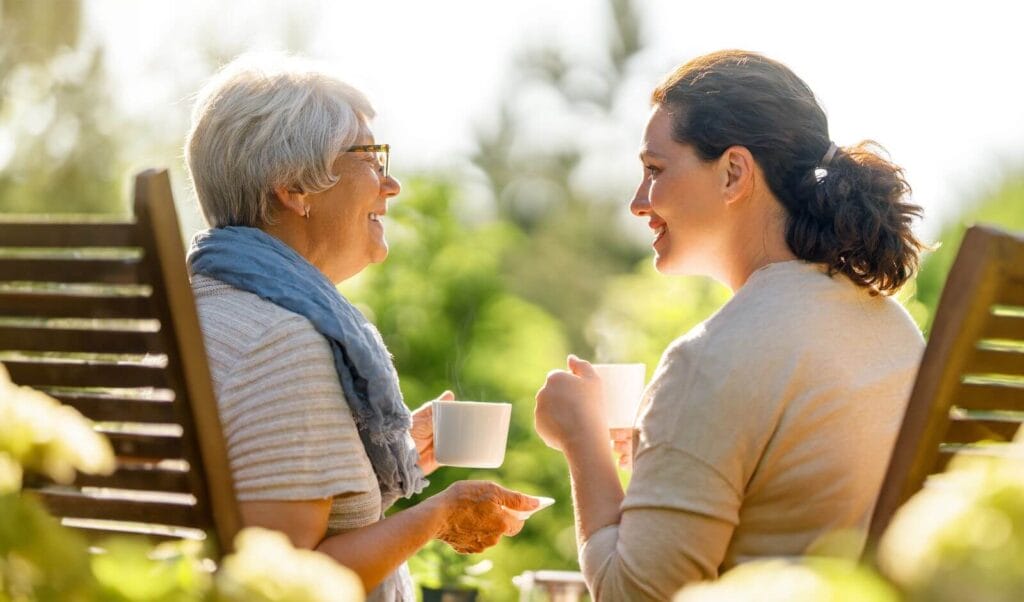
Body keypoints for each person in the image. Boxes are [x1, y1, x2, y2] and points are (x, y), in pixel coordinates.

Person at [534, 50, 926, 601]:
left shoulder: (712, 358)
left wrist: (581, 438)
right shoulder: (892, 326)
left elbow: (637, 596)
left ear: (733, 173)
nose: (637, 202)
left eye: (655, 170)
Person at [183, 53, 537, 602]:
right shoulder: (284, 343)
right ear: (295, 186)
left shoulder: (205, 310)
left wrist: (364, 461)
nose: (390, 184)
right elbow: (283, 583)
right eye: (371, 157)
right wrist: (438, 516)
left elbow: (266, 508)